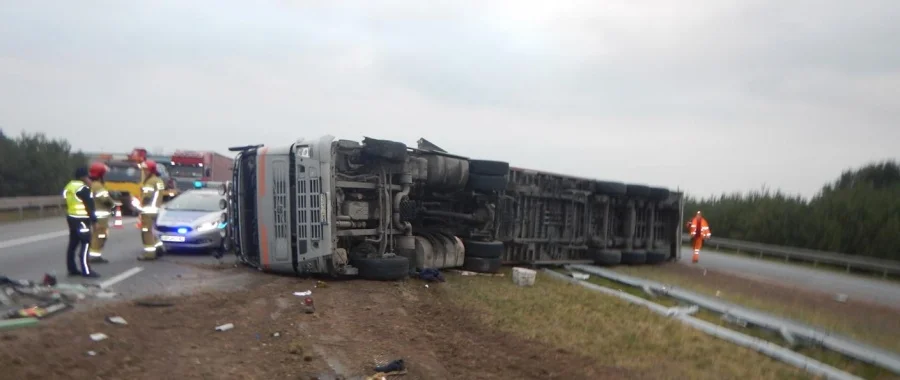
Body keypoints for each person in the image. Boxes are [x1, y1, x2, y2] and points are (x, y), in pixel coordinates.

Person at [63, 167, 101, 277]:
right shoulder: (83, 189)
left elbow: (66, 200)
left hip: (71, 218)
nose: (90, 179)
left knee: (72, 245)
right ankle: (86, 270)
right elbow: (90, 206)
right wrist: (95, 222)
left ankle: (72, 269)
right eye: (88, 177)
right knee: (85, 243)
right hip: (82, 219)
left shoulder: (69, 186)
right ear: (83, 177)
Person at [137, 160, 167, 261]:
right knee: (151, 231)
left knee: (146, 232)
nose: (144, 172)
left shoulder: (150, 181)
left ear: (151, 170)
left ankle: (150, 254)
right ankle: (158, 248)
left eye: (146, 170)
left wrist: (140, 204)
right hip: (156, 210)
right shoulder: (159, 180)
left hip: (148, 210)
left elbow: (147, 197)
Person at [87, 162, 114, 264]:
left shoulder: (93, 185)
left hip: (98, 216)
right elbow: (105, 200)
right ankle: (94, 256)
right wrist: (113, 205)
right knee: (100, 236)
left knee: (99, 235)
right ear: (100, 175)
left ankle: (95, 254)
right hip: (100, 217)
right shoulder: (98, 186)